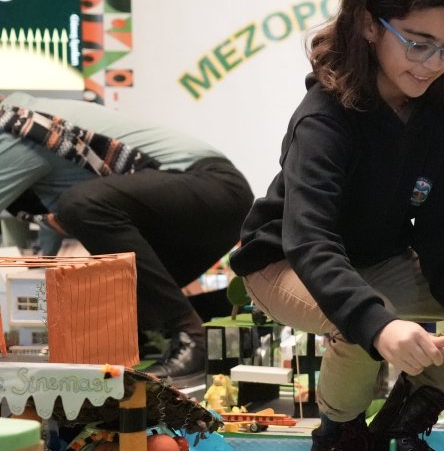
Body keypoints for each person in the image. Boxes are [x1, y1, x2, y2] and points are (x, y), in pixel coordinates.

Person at [230, 0, 444, 451]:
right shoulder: (323, 118)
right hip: (286, 262)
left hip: (378, 259)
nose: (434, 63)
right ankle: (339, 442)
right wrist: (378, 325)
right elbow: (310, 241)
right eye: (417, 43)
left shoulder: (441, 118)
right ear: (370, 25)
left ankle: (398, 435)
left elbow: (439, 224)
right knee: (362, 321)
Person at [0, 92, 254, 386]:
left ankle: (191, 336)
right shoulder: (26, 116)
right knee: (104, 299)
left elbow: (71, 210)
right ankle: (152, 333)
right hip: (207, 205)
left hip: (212, 190)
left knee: (80, 205)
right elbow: (48, 229)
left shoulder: (14, 127)